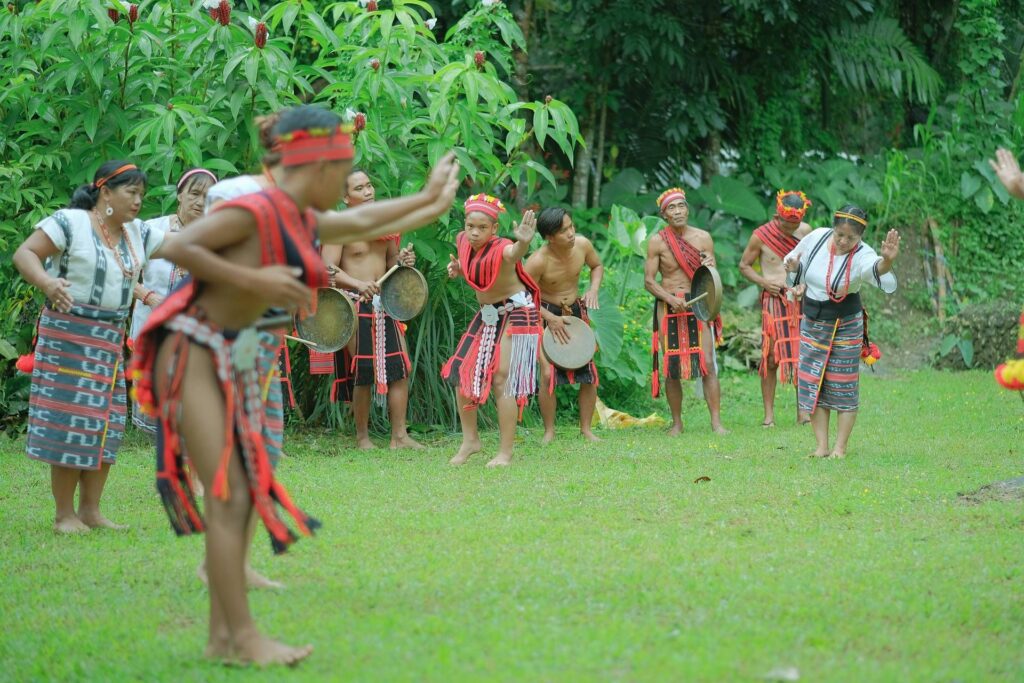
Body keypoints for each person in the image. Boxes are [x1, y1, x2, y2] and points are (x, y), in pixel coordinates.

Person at [130, 105, 460, 666]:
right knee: (232, 493)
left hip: (240, 355)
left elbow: (360, 222)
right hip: (195, 351)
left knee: (236, 492)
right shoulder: (255, 208)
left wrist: (431, 200)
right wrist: (255, 277)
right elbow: (177, 248)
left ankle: (221, 639)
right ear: (316, 164)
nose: (345, 180)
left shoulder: (299, 216)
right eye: (343, 168)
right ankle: (243, 639)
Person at [13, 160, 167, 533]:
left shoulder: (137, 233)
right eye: (131, 192)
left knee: (106, 423)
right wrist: (47, 285)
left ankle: (91, 511)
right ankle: (63, 514)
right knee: (70, 422)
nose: (137, 201)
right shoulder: (70, 222)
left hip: (109, 342)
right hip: (67, 335)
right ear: (105, 192)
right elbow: (24, 255)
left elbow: (187, 245)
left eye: (142, 195)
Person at [783, 205, 900, 458]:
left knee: (843, 383)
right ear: (833, 229)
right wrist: (793, 268)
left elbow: (876, 269)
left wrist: (888, 260)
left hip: (845, 324)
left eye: (851, 238)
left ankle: (840, 448)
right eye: (839, 235)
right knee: (815, 380)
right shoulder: (816, 238)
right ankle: (821, 446)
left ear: (860, 237)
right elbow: (794, 263)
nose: (844, 241)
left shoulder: (863, 254)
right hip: (813, 320)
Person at [316, 169, 422, 450]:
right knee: (363, 371)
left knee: (400, 367)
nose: (368, 192)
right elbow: (327, 269)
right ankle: (362, 437)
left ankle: (399, 436)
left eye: (370, 186)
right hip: (353, 304)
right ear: (345, 197)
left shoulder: (385, 226)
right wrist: (357, 283)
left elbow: (390, 265)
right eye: (359, 188)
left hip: (384, 304)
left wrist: (402, 260)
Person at [443, 194, 541, 467]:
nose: (474, 232)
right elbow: (478, 269)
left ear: (495, 229)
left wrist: (523, 241)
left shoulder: (504, 247)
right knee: (462, 373)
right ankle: (471, 441)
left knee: (501, 378)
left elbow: (512, 255)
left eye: (482, 228)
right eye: (470, 225)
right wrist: (458, 269)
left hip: (517, 312)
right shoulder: (463, 241)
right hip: (488, 315)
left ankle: (505, 452)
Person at [129, 168, 218, 433]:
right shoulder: (150, 230)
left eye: (208, 197)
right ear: (179, 195)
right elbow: (122, 272)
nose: (200, 202)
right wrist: (149, 296)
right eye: (194, 194)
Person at [644, 187, 727, 435]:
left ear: (688, 209)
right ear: (664, 214)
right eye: (672, 207)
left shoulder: (703, 238)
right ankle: (677, 423)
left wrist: (711, 267)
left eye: (681, 206)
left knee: (708, 362)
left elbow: (712, 277)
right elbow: (649, 281)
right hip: (668, 304)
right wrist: (670, 298)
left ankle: (716, 422)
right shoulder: (657, 242)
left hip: (699, 301)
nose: (678, 211)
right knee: (671, 366)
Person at [524, 207, 603, 443]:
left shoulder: (583, 245)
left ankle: (586, 429)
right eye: (563, 231)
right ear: (549, 236)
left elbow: (596, 266)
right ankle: (549, 431)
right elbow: (521, 298)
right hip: (546, 315)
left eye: (571, 227)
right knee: (548, 374)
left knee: (588, 372)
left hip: (575, 312)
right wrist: (549, 317)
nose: (571, 233)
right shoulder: (537, 261)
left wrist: (593, 289)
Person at [738, 189, 813, 427]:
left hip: (800, 300)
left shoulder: (808, 233)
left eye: (796, 223)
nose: (792, 228)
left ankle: (803, 412)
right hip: (774, 300)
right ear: (776, 217)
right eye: (787, 224)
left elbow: (813, 265)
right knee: (770, 357)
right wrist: (763, 282)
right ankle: (768, 416)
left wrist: (804, 284)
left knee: (803, 354)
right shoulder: (760, 236)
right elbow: (744, 266)